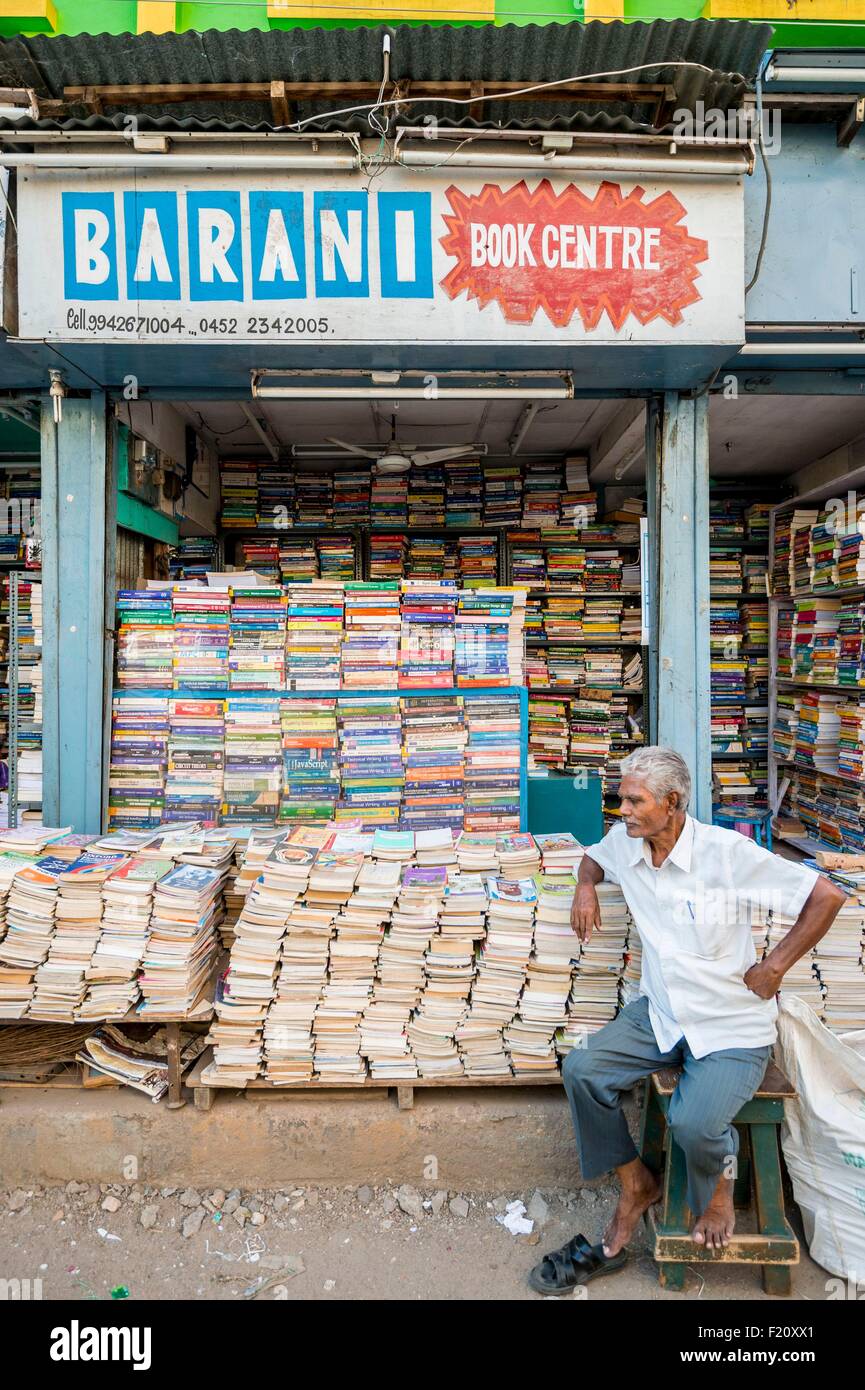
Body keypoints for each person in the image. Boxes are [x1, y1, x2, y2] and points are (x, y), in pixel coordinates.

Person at [528, 745, 845, 1295]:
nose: (621, 810)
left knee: (694, 1125)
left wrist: (774, 965)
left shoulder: (728, 855)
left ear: (672, 803)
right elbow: (594, 856)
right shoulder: (627, 846)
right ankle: (637, 1186)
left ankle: (720, 1193)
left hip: (730, 1027)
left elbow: (827, 896)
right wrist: (583, 885)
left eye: (634, 800)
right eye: (621, 797)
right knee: (583, 1070)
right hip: (663, 1015)